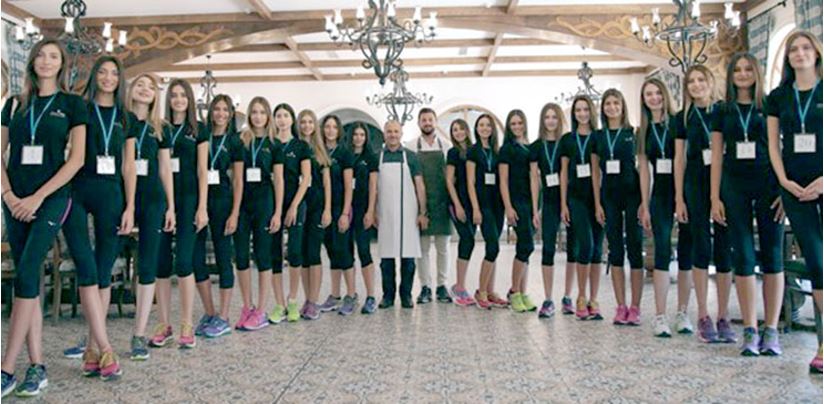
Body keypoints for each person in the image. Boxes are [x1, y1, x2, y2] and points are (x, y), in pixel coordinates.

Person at [1, 39, 105, 398]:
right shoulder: (14, 104)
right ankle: (37, 366)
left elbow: (76, 160)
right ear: (32, 62)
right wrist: (9, 196)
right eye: (41, 55)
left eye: (53, 56)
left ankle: (6, 369)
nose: (46, 61)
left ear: (62, 65)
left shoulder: (73, 105)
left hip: (52, 198)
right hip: (14, 201)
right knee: (27, 280)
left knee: (28, 272)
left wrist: (37, 197)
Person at [61, 56, 133, 375]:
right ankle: (105, 349)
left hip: (111, 193)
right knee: (86, 267)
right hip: (77, 190)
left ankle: (92, 348)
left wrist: (131, 206)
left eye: (114, 73)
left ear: (120, 80)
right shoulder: (80, 108)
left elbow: (129, 165)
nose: (107, 78)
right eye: (102, 72)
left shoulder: (125, 117)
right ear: (94, 76)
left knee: (103, 271)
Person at [711, 52, 785, 356]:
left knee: (773, 254)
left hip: (768, 183)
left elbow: (781, 147)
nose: (742, 74)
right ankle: (750, 329)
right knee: (742, 255)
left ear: (756, 72)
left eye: (747, 69)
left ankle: (771, 329)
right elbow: (717, 155)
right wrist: (714, 196)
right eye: (737, 70)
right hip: (734, 185)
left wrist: (785, 188)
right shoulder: (722, 110)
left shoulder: (770, 103)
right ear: (731, 76)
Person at [765, 30, 822, 372]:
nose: (800, 53)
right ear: (788, 58)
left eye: (806, 48)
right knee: (816, 260)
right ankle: (822, 345)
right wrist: (783, 180)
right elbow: (774, 144)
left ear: (816, 53)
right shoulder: (778, 97)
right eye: (794, 50)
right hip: (793, 186)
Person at [674, 65, 734, 344]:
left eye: (701, 79)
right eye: (691, 82)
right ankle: (703, 314)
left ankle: (723, 315)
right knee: (700, 245)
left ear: (710, 81)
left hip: (724, 183)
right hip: (695, 183)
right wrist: (679, 197)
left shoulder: (723, 110)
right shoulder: (682, 117)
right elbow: (679, 159)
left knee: (724, 247)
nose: (696, 85)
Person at [152, 79, 208, 349]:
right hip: (162, 200)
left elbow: (202, 170)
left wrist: (202, 206)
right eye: (173, 95)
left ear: (189, 99)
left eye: (183, 95)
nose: (178, 100)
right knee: (161, 264)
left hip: (189, 200)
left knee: (185, 262)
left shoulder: (198, 130)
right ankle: (164, 324)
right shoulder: (159, 128)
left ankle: (187, 323)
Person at [637, 78, 695, 337]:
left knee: (686, 251)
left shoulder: (679, 122)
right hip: (660, 193)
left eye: (657, 93)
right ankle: (660, 315)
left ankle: (682, 312)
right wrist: (644, 203)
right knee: (661, 249)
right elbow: (644, 170)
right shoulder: (643, 131)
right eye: (648, 94)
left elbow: (685, 157)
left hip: (685, 190)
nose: (654, 98)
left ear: (665, 95)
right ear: (643, 100)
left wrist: (682, 196)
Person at [125, 73, 176, 360]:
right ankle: (94, 336)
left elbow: (165, 168)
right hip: (121, 197)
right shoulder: (120, 120)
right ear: (130, 89)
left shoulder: (161, 128)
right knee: (102, 265)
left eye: (151, 87)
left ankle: (139, 333)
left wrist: (171, 206)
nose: (145, 90)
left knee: (148, 264)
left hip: (153, 199)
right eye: (140, 85)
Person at [591, 89, 644, 326]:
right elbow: (595, 173)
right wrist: (597, 204)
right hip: (609, 197)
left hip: (633, 195)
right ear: (603, 108)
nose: (612, 107)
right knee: (615, 251)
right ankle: (621, 306)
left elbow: (643, 167)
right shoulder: (598, 136)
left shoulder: (634, 133)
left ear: (623, 107)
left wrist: (644, 202)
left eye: (616, 103)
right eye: (608, 103)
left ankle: (635, 307)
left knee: (635, 248)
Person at [193, 94, 244, 338]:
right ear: (210, 111)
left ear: (231, 114)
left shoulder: (235, 142)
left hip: (223, 202)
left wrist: (235, 213)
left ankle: (223, 317)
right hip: (198, 200)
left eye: (225, 110)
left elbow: (238, 181)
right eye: (217, 109)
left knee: (224, 256)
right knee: (196, 259)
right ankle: (210, 311)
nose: (220, 114)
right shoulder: (201, 134)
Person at [233, 97, 284, 331]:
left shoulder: (274, 145)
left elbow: (279, 180)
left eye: (262, 112)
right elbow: (236, 178)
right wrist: (234, 211)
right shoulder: (241, 141)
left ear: (268, 116)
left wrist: (278, 212)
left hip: (265, 202)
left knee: (263, 256)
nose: (258, 116)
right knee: (241, 256)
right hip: (243, 203)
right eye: (254, 112)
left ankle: (261, 310)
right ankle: (247, 306)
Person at [559, 95, 605, 320]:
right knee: (585, 245)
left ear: (592, 112)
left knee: (597, 249)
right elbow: (563, 173)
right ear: (574, 113)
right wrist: (563, 204)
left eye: (586, 109)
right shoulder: (568, 140)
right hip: (576, 198)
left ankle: (594, 299)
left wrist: (598, 204)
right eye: (578, 110)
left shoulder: (599, 137)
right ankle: (581, 296)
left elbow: (598, 171)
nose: (582, 114)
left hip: (599, 199)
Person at [529, 103, 576, 318]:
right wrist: (535, 209)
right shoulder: (536, 146)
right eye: (547, 117)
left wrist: (566, 203)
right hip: (548, 201)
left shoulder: (567, 142)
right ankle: (548, 299)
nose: (551, 121)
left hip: (570, 199)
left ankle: (568, 296)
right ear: (542, 120)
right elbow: (534, 178)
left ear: (560, 120)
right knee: (548, 248)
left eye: (554, 117)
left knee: (573, 249)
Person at [378, 120, 429, 309]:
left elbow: (420, 185)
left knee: (408, 258)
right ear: (384, 134)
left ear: (401, 134)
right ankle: (388, 296)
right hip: (385, 213)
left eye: (396, 131)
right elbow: (373, 187)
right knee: (386, 258)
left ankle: (406, 295)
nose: (392, 135)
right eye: (389, 131)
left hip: (408, 213)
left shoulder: (411, 156)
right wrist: (372, 211)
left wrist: (423, 212)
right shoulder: (378, 156)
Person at [269, 103, 311, 323]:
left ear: (292, 119)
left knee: (294, 252)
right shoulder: (270, 143)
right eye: (279, 115)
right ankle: (279, 304)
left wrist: (294, 206)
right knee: (274, 254)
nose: (282, 120)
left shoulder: (301, 146)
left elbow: (306, 178)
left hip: (296, 202)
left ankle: (293, 299)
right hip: (271, 203)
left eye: (286, 115)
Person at [406, 108, 452, 304]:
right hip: (419, 204)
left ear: (436, 122)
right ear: (419, 123)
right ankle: (425, 287)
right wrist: (419, 210)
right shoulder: (411, 147)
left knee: (443, 248)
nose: (427, 123)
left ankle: (442, 286)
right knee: (422, 249)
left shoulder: (446, 146)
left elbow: (451, 178)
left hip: (442, 202)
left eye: (430, 119)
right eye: (423, 120)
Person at [466, 114, 508, 309]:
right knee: (493, 246)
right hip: (482, 205)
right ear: (476, 129)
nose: (484, 128)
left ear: (493, 129)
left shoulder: (497, 152)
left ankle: (490, 291)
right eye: (481, 125)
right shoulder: (473, 151)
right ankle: (481, 291)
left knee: (494, 246)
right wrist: (475, 208)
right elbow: (470, 182)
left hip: (497, 204)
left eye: (488, 125)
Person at [499, 110, 537, 312]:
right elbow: (503, 180)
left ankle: (523, 292)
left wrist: (536, 209)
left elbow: (534, 177)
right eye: (513, 123)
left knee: (525, 248)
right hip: (516, 202)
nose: (516, 127)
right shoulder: (507, 149)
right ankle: (514, 291)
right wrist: (508, 207)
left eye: (519, 123)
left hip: (530, 203)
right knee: (526, 245)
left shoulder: (530, 147)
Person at [320, 115, 358, 315]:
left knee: (344, 252)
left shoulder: (345, 153)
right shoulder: (318, 151)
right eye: (327, 126)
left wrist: (345, 213)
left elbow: (348, 186)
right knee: (332, 252)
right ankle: (335, 295)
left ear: (339, 130)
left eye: (334, 127)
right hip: (323, 209)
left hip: (341, 208)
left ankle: (351, 295)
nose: (330, 130)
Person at [296, 109, 332, 321]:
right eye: (303, 122)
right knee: (301, 253)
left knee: (314, 252)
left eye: (310, 122)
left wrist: (327, 209)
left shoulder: (320, 151)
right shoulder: (295, 147)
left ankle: (313, 300)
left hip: (317, 206)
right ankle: (306, 299)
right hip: (300, 206)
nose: (307, 125)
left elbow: (327, 183)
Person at [347, 122, 379, 314]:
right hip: (345, 209)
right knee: (346, 253)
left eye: (362, 135)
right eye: (355, 134)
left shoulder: (371, 158)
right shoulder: (346, 155)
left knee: (364, 251)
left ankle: (371, 296)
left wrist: (370, 211)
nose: (358, 138)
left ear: (366, 137)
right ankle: (351, 295)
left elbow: (373, 186)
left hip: (363, 209)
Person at [445, 119, 476, 306]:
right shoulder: (453, 152)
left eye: (461, 129)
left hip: (473, 203)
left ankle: (461, 285)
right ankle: (459, 286)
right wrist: (457, 205)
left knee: (469, 241)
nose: (458, 132)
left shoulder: (474, 150)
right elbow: (449, 180)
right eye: (454, 130)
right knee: (468, 239)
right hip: (457, 203)